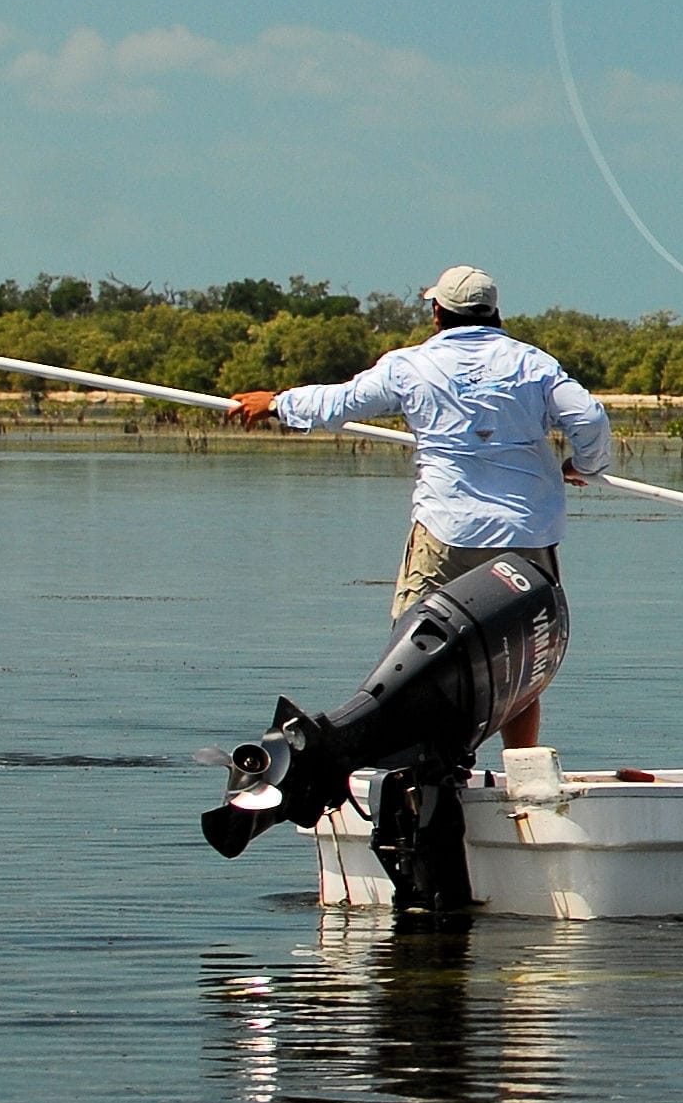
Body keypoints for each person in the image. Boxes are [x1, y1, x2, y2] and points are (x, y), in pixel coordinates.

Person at [231, 264, 612, 749]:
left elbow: (340, 403)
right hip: (525, 534)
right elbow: (588, 416)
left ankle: (424, 767)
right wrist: (585, 465)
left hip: (445, 529)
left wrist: (277, 404)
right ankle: (523, 772)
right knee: (522, 658)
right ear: (494, 312)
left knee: (418, 646)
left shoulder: (410, 365)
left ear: (437, 312)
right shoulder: (532, 364)